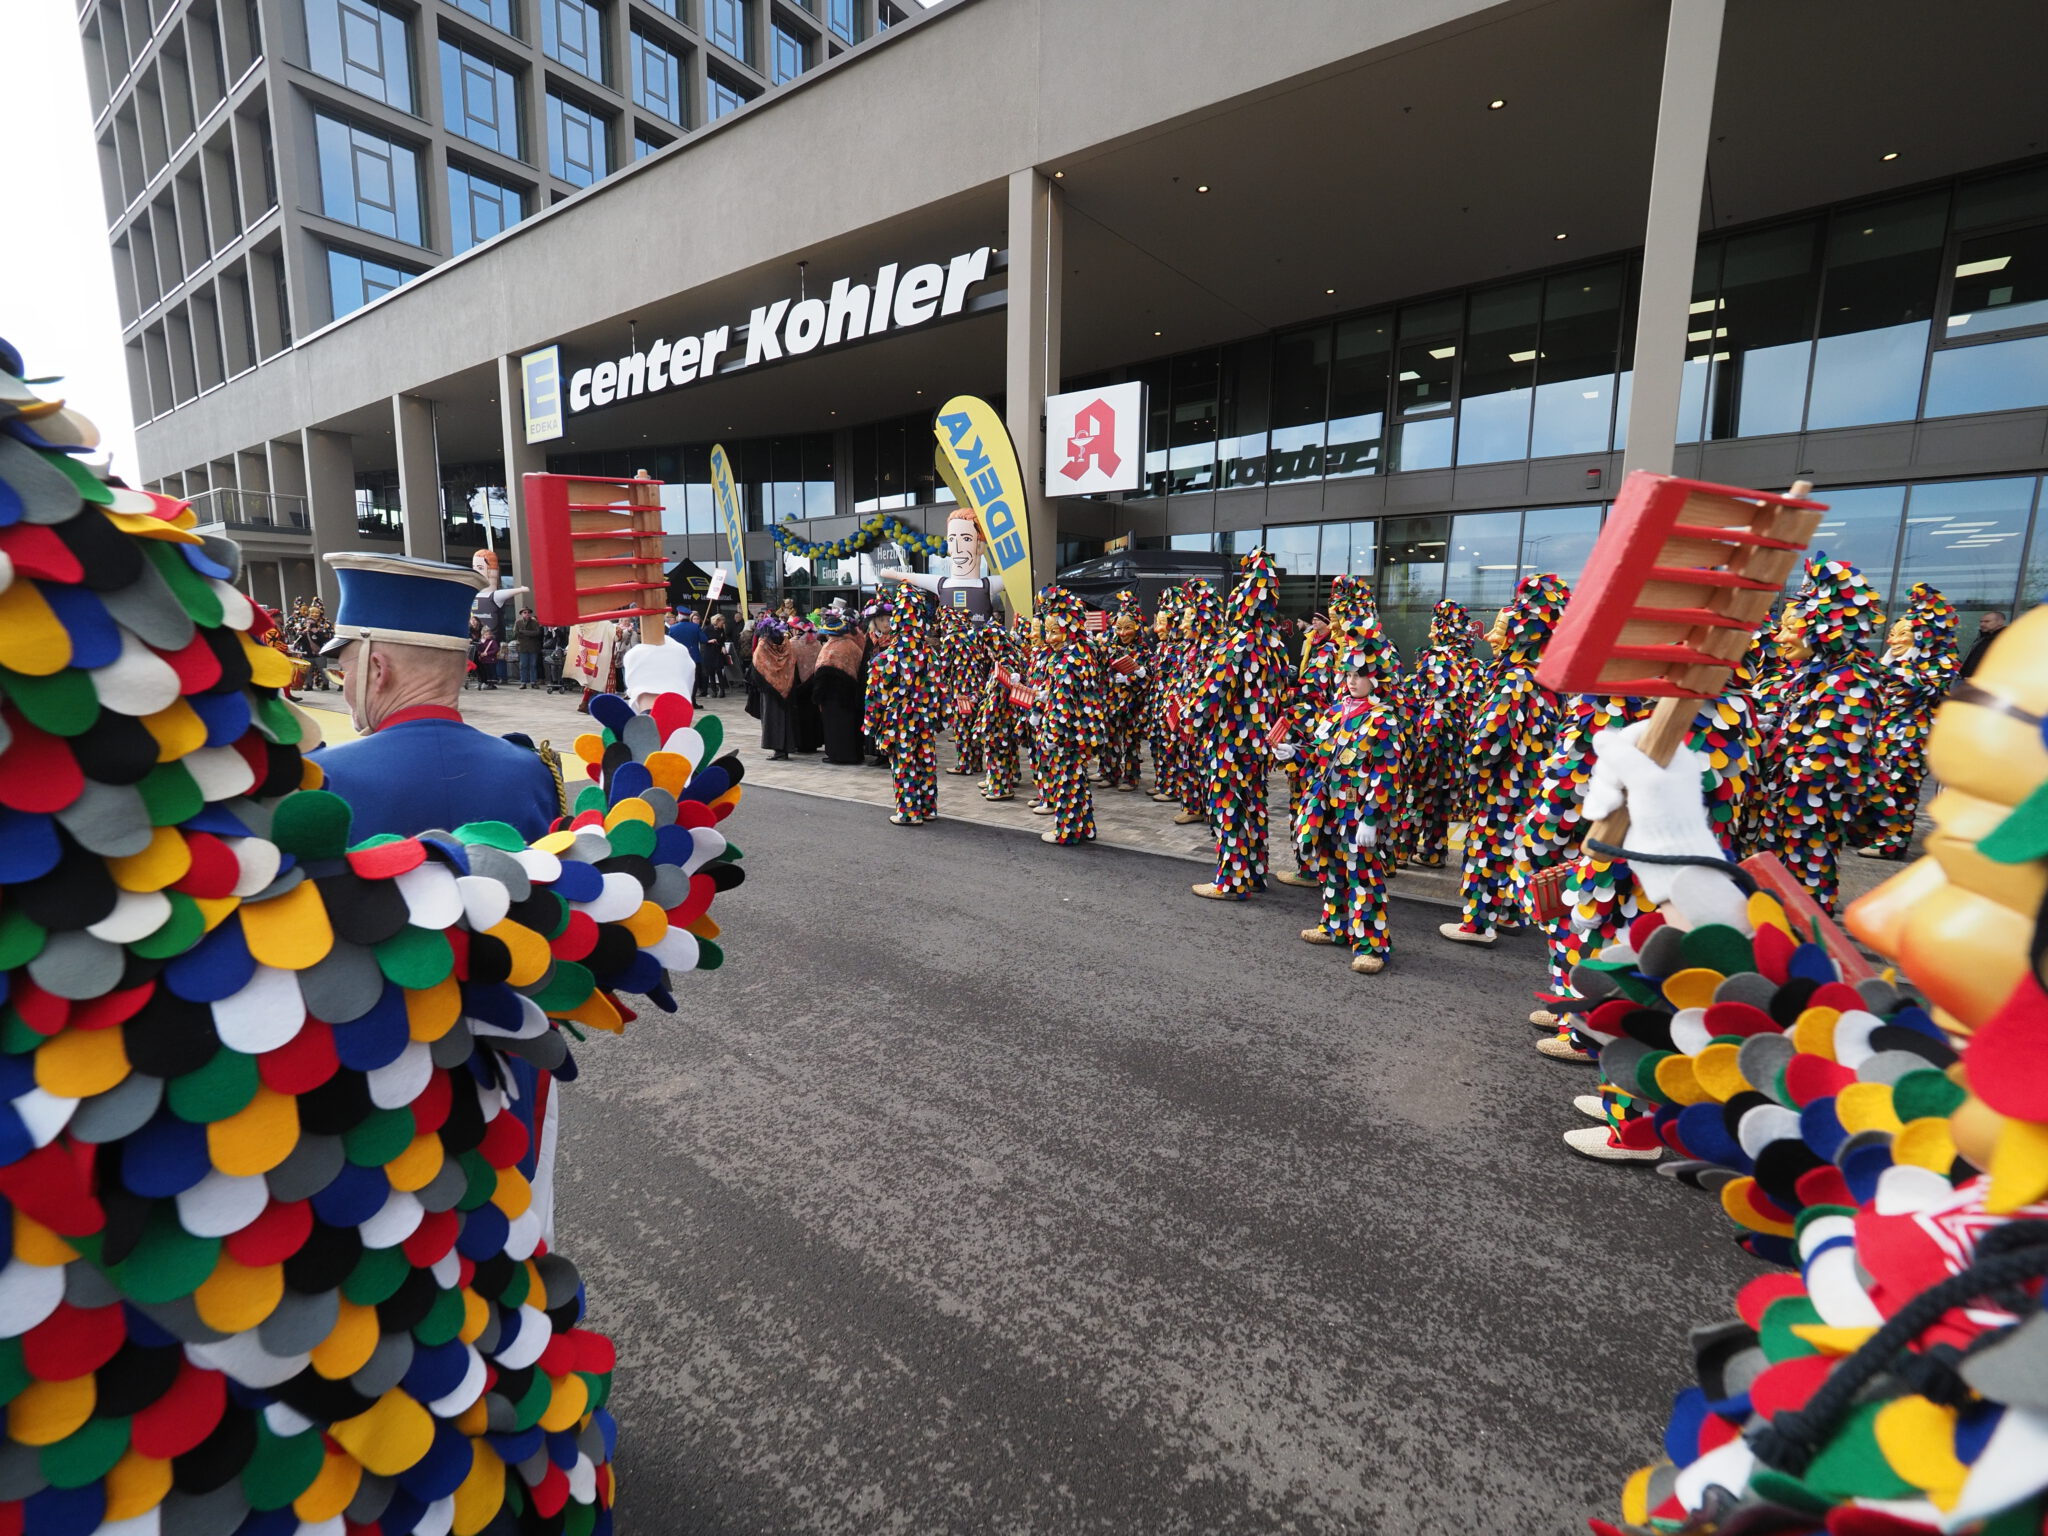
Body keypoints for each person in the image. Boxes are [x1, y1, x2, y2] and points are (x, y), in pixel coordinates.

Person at [314, 552, 562, 841]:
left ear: (377, 669)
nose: (345, 686)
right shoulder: (534, 773)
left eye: (345, 671)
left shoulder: (321, 780)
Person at [1438, 572, 1570, 945]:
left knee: (1485, 849)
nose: (1491, 637)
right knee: (1513, 848)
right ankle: (1509, 913)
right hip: (1528, 787)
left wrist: (1472, 764)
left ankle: (1477, 924)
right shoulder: (1547, 682)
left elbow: (1490, 740)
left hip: (1499, 787)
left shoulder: (1513, 681)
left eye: (1500, 630)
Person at [1285, 650, 1402, 973]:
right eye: (1348, 675)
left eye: (1359, 675)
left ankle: (1371, 945)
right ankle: (1335, 925)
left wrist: (1371, 816)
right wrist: (1293, 751)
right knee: (1331, 867)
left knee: (1363, 875)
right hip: (1328, 807)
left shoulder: (1383, 718)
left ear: (1374, 678)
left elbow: (1387, 772)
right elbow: (1318, 751)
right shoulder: (1336, 712)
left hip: (1357, 808)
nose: (1352, 681)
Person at [1188, 550, 1295, 900]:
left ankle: (1231, 881)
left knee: (1229, 808)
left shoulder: (1237, 644)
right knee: (1254, 805)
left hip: (1229, 741)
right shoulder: (1274, 645)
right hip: (1258, 743)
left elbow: (1211, 695)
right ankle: (1253, 872)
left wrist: (1192, 719)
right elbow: (1281, 695)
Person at [1859, 581, 1959, 859]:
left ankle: (1893, 843)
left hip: (1912, 739)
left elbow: (1925, 687)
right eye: (1891, 634)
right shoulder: (1894, 663)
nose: (1892, 641)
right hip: (1884, 733)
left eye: (1901, 634)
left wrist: (1890, 669)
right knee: (1878, 784)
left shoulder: (1940, 664)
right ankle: (1873, 833)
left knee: (1899, 787)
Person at [1027, 585, 1108, 845]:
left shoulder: (1069, 658)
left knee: (1066, 780)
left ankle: (1068, 831)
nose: (1049, 638)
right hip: (1080, 730)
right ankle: (1085, 827)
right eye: (1047, 632)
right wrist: (1041, 700)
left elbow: (1063, 702)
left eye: (1054, 632)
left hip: (1068, 732)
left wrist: (1052, 733)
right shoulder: (1079, 652)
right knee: (1077, 780)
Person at [865, 588, 943, 824]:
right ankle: (928, 808)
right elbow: (941, 689)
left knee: (904, 762)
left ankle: (909, 812)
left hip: (898, 721)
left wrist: (871, 722)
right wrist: (941, 716)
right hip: (925, 718)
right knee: (926, 761)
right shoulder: (930, 655)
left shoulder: (886, 658)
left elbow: (875, 695)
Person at [879, 505, 1005, 617]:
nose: (957, 548)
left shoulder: (987, 585)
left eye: (966, 539)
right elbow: (913, 577)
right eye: (951, 539)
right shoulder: (942, 584)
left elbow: (1020, 579)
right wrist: (895, 574)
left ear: (980, 546)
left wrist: (895, 574)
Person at [812, 607, 869, 765]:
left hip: (832, 696)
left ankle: (838, 755)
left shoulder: (830, 648)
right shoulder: (852, 645)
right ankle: (854, 754)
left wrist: (817, 695)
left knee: (835, 726)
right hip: (851, 693)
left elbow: (822, 672)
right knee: (851, 725)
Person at [750, 614, 806, 759]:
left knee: (772, 719)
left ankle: (778, 750)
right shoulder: (787, 643)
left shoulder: (763, 645)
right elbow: (792, 662)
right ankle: (786, 747)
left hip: (769, 690)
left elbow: (757, 666)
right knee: (786, 719)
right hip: (786, 687)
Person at [1959, 607, 2006, 678]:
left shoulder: (2006, 639)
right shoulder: (1983, 637)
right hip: (1968, 680)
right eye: (1981, 621)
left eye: (1987, 621)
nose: (1982, 624)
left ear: (2000, 622)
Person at [703, 610, 732, 698]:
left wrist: (723, 646)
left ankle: (722, 691)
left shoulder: (721, 629)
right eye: (722, 622)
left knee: (719, 671)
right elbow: (703, 640)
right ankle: (713, 691)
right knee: (711, 672)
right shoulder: (707, 629)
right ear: (717, 621)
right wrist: (709, 641)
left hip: (718, 653)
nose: (723, 623)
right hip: (710, 652)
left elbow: (723, 640)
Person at [514, 604, 543, 687]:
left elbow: (537, 633)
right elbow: (515, 633)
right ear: (521, 614)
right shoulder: (518, 622)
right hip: (523, 647)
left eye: (528, 613)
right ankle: (523, 682)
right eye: (525, 612)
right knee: (523, 665)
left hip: (533, 647)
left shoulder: (534, 622)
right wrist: (528, 634)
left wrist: (524, 632)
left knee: (533, 665)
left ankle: (533, 682)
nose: (527, 614)